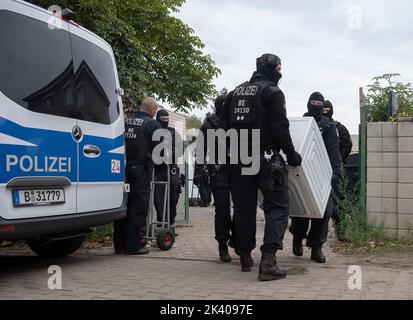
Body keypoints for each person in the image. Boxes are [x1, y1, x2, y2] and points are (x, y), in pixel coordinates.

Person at [221, 53, 302, 281]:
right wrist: (291, 154)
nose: (280, 71)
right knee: (277, 207)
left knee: (244, 209)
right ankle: (268, 262)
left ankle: (245, 257)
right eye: (278, 67)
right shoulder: (272, 92)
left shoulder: (234, 93)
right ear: (270, 69)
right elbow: (279, 127)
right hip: (267, 158)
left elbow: (224, 126)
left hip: (240, 158)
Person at [289, 92, 341, 263]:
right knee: (301, 211)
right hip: (303, 171)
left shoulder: (328, 125)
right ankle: (297, 237)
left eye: (319, 102)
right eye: (313, 102)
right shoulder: (301, 122)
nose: (316, 105)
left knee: (324, 212)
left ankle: (316, 247)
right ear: (308, 103)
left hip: (322, 173)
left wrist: (335, 171)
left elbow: (333, 149)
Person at [113, 97, 161, 255]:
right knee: (138, 207)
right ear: (152, 108)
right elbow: (160, 151)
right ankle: (134, 245)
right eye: (156, 108)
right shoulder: (152, 124)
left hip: (122, 168)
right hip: (140, 169)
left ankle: (119, 246)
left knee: (122, 205)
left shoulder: (125, 121)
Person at [196, 95, 237, 263]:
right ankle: (222, 245)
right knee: (222, 209)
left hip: (236, 169)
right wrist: (201, 170)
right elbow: (200, 148)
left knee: (241, 209)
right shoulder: (209, 124)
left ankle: (238, 239)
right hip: (218, 171)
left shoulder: (235, 120)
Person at [323, 100, 353, 233]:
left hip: (334, 171)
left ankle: (340, 230)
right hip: (321, 170)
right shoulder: (314, 126)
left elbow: (347, 145)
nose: (325, 111)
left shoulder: (339, 128)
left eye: (327, 109)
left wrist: (338, 161)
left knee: (337, 201)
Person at [154, 109, 183, 227]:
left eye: (167, 119)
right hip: (158, 170)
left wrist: (167, 153)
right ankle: (162, 221)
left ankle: (170, 222)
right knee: (159, 199)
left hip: (172, 169)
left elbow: (180, 149)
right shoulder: (153, 132)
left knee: (173, 197)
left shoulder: (173, 132)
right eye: (163, 119)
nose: (165, 121)